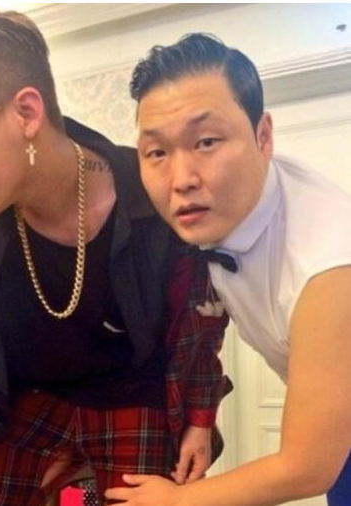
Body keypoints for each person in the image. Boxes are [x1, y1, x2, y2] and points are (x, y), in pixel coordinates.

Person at [0, 8, 233, 506]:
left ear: (26, 113)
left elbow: (200, 317)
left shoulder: (149, 189)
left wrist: (199, 419)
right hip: (22, 401)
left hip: (133, 395)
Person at [104, 33, 351, 506]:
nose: (181, 180)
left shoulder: (328, 263)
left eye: (207, 141)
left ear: (263, 136)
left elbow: (306, 468)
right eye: (157, 152)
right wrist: (200, 422)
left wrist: (175, 502)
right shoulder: (209, 215)